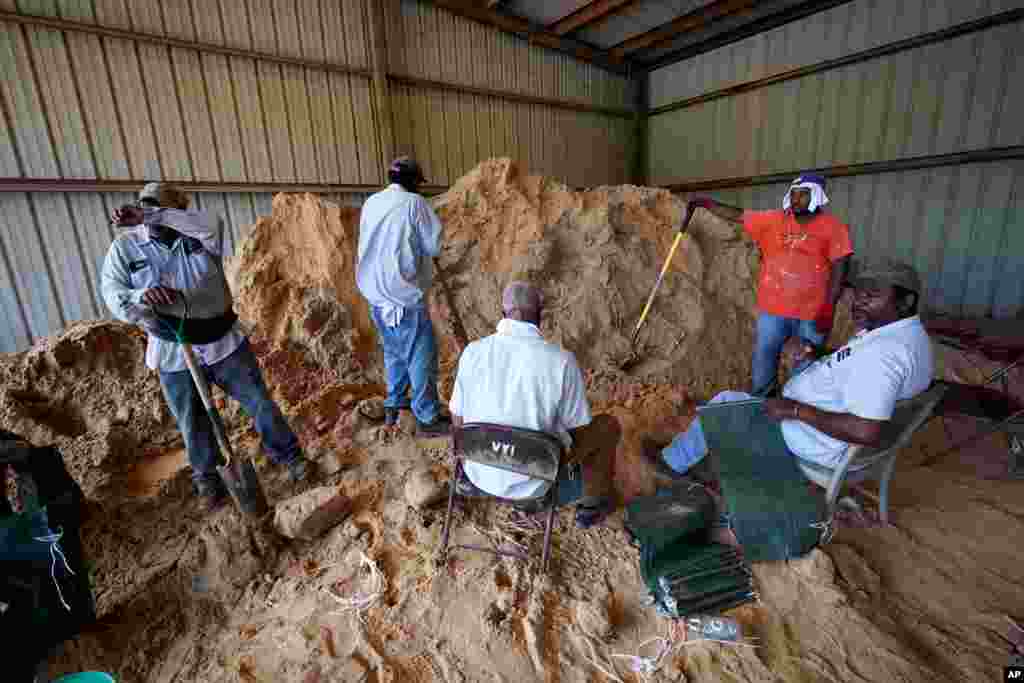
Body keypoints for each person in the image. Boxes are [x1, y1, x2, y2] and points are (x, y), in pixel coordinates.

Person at [100, 183, 308, 510]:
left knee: (259, 403)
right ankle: (208, 482)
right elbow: (113, 295)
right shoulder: (125, 249)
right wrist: (141, 297)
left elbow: (210, 222)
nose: (147, 212)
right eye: (143, 205)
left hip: (223, 342)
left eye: (156, 206)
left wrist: (152, 213)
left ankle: (291, 458)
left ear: (177, 210)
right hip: (173, 347)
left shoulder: (200, 236)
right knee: (192, 421)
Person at [646, 257, 932, 482]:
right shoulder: (906, 336)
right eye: (858, 294)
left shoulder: (883, 355)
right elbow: (862, 368)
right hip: (833, 421)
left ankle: (670, 464)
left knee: (725, 403)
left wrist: (794, 410)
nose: (859, 301)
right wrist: (816, 353)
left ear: (905, 301)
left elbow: (865, 430)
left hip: (820, 442)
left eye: (872, 295)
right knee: (775, 382)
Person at [448, 281, 618, 528]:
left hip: (478, 474)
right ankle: (590, 507)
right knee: (607, 426)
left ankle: (470, 477)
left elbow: (457, 419)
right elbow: (578, 433)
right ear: (540, 316)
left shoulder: (473, 352)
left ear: (502, 313)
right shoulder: (562, 362)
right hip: (536, 489)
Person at [687, 173, 853, 396]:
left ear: (817, 196)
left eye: (802, 195)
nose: (796, 200)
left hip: (812, 312)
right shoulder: (774, 220)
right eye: (793, 195)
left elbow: (840, 271)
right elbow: (737, 215)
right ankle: (762, 402)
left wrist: (828, 308)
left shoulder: (834, 228)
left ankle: (800, 405)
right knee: (764, 359)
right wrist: (707, 204)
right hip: (773, 310)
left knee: (806, 365)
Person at [357, 157, 450, 435]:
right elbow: (434, 245)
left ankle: (395, 404)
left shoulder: (372, 202)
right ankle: (427, 417)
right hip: (403, 294)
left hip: (375, 294)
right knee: (422, 356)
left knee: (395, 351)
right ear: (412, 182)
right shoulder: (414, 204)